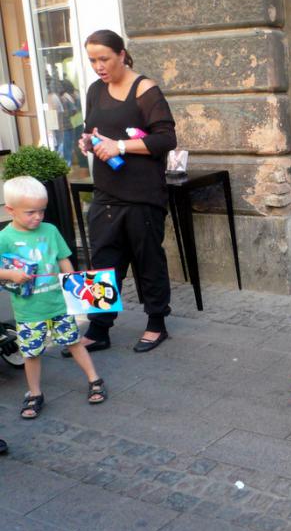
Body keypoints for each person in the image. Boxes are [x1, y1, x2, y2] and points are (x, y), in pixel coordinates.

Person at [67, 29, 176, 354]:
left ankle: (157, 323)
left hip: (142, 194)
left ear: (121, 54)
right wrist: (88, 141)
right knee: (101, 261)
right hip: (106, 193)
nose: (98, 66)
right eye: (92, 60)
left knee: (148, 262)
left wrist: (121, 147)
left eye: (104, 59)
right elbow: (91, 130)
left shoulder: (145, 89)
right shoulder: (94, 90)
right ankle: (99, 329)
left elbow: (165, 139)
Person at [0, 176, 107, 419]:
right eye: (30, 212)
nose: (38, 217)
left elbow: (62, 258)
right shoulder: (4, 238)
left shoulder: (50, 230)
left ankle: (94, 378)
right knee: (31, 353)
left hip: (58, 304)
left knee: (74, 342)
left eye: (42, 211)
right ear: (10, 210)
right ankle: (34, 393)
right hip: (29, 311)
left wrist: (75, 282)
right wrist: (10, 274)